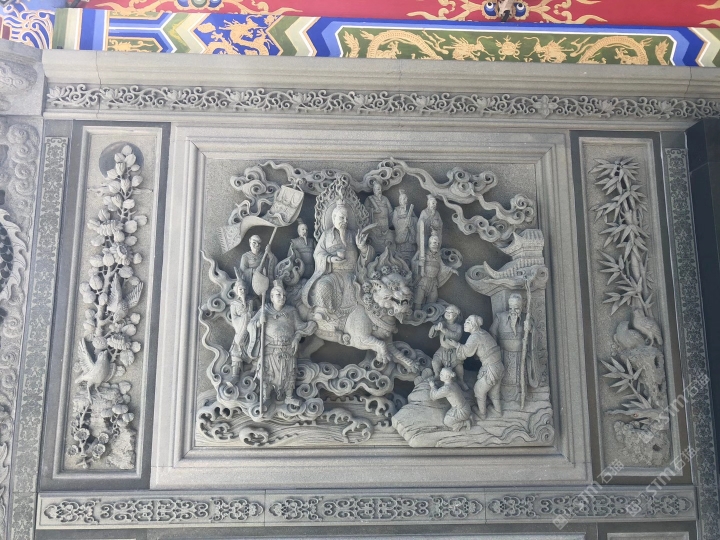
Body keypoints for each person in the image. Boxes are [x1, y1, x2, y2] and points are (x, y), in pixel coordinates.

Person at [248, 280, 317, 407]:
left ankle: (289, 397)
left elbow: (300, 328)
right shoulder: (265, 310)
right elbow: (250, 325)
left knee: (289, 373)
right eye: (278, 294)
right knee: (266, 373)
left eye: (284, 295)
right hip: (270, 349)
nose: (282, 297)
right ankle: (265, 397)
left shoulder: (291, 311)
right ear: (271, 297)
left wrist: (296, 338)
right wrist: (258, 323)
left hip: (288, 348)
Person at [302, 201, 372, 318]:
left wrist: (363, 247)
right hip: (333, 275)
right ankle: (328, 315)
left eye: (347, 218)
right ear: (333, 218)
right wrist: (330, 259)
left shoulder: (354, 235)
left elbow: (367, 256)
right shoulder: (326, 235)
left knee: (360, 291)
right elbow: (317, 254)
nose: (345, 221)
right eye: (341, 217)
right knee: (322, 286)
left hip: (353, 275)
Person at [446, 314, 504, 420]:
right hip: (499, 366)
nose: (464, 324)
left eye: (468, 322)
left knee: (479, 390)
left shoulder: (475, 337)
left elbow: (467, 352)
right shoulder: (483, 332)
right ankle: (498, 411)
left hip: (491, 369)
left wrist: (456, 345)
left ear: (474, 325)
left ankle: (482, 414)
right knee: (494, 391)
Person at [489, 293, 537, 402]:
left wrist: (531, 330)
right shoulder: (500, 317)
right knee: (503, 379)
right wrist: (496, 351)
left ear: (521, 307)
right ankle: (504, 399)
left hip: (521, 356)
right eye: (511, 308)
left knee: (520, 380)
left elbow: (535, 336)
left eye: (516, 308)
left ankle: (521, 398)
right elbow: (492, 333)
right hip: (503, 355)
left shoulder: (527, 318)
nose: (513, 311)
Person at [411, 234, 456, 310]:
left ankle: (429, 311)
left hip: (433, 281)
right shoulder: (422, 252)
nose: (436, 245)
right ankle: (416, 311)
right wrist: (419, 263)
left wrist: (450, 269)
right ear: (430, 243)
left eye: (438, 243)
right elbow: (413, 261)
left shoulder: (438, 256)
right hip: (423, 279)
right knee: (419, 296)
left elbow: (442, 266)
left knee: (433, 296)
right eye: (435, 242)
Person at [428, 305, 467, 389]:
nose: (448, 313)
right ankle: (437, 375)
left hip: (454, 350)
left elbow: (456, 336)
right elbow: (431, 335)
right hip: (442, 349)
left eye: (451, 312)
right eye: (446, 311)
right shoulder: (443, 323)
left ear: (456, 315)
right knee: (435, 361)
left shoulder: (458, 327)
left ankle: (461, 380)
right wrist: (435, 328)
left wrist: (444, 330)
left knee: (459, 365)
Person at [237, 234, 277, 301]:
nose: (257, 245)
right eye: (254, 243)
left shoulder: (264, 255)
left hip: (263, 280)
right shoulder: (245, 256)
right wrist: (253, 271)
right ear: (250, 243)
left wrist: (269, 252)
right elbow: (243, 271)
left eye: (258, 243)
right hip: (251, 282)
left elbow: (273, 261)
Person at [229, 277, 254, 377]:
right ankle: (235, 374)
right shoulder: (234, 304)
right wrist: (245, 317)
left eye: (244, 289)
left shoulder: (251, 302)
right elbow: (234, 318)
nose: (242, 291)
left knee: (254, 349)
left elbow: (254, 314)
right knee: (236, 352)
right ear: (236, 290)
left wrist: (251, 316)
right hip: (240, 330)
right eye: (240, 289)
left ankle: (254, 370)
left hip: (251, 331)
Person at [364, 182, 394, 253]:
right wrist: (373, 211)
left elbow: (390, 210)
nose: (379, 191)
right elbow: (364, 211)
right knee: (374, 240)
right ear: (374, 190)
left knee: (388, 239)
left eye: (380, 189)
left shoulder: (385, 199)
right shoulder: (369, 199)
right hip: (375, 224)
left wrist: (393, 221)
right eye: (378, 189)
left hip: (385, 223)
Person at [392, 189, 417, 264]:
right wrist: (404, 222)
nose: (406, 200)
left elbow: (416, 219)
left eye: (406, 199)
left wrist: (411, 221)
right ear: (400, 201)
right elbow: (394, 221)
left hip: (410, 237)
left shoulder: (410, 210)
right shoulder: (397, 210)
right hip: (401, 237)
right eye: (404, 199)